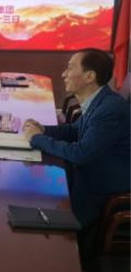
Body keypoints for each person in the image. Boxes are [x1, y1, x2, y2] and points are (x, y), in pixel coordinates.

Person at [22, 48, 130, 227]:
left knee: (41, 216)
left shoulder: (110, 109)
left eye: (70, 68)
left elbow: (81, 154)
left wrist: (37, 139)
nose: (64, 74)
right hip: (88, 177)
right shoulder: (100, 100)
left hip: (102, 191)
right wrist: (43, 130)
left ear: (89, 76)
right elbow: (74, 131)